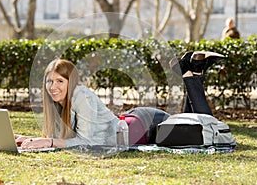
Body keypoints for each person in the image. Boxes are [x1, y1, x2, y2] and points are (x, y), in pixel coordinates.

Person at [16, 52, 224, 149]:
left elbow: (89, 142)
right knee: (190, 123)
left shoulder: (81, 96)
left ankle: (190, 74)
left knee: (202, 131)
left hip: (146, 125)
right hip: (132, 121)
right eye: (49, 81)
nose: (53, 87)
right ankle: (193, 71)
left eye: (59, 81)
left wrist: (50, 142)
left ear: (71, 81)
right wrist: (28, 139)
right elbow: (62, 137)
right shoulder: (56, 102)